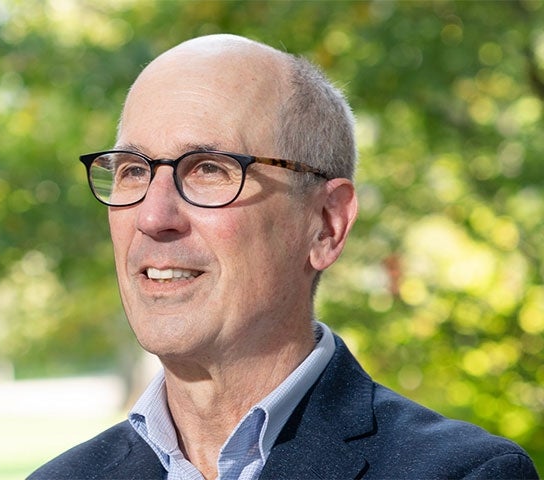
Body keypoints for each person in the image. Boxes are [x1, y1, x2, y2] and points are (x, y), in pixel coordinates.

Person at [28, 34, 539, 480]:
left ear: (326, 223)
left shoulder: (462, 474)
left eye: (208, 169)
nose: (152, 216)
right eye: (134, 171)